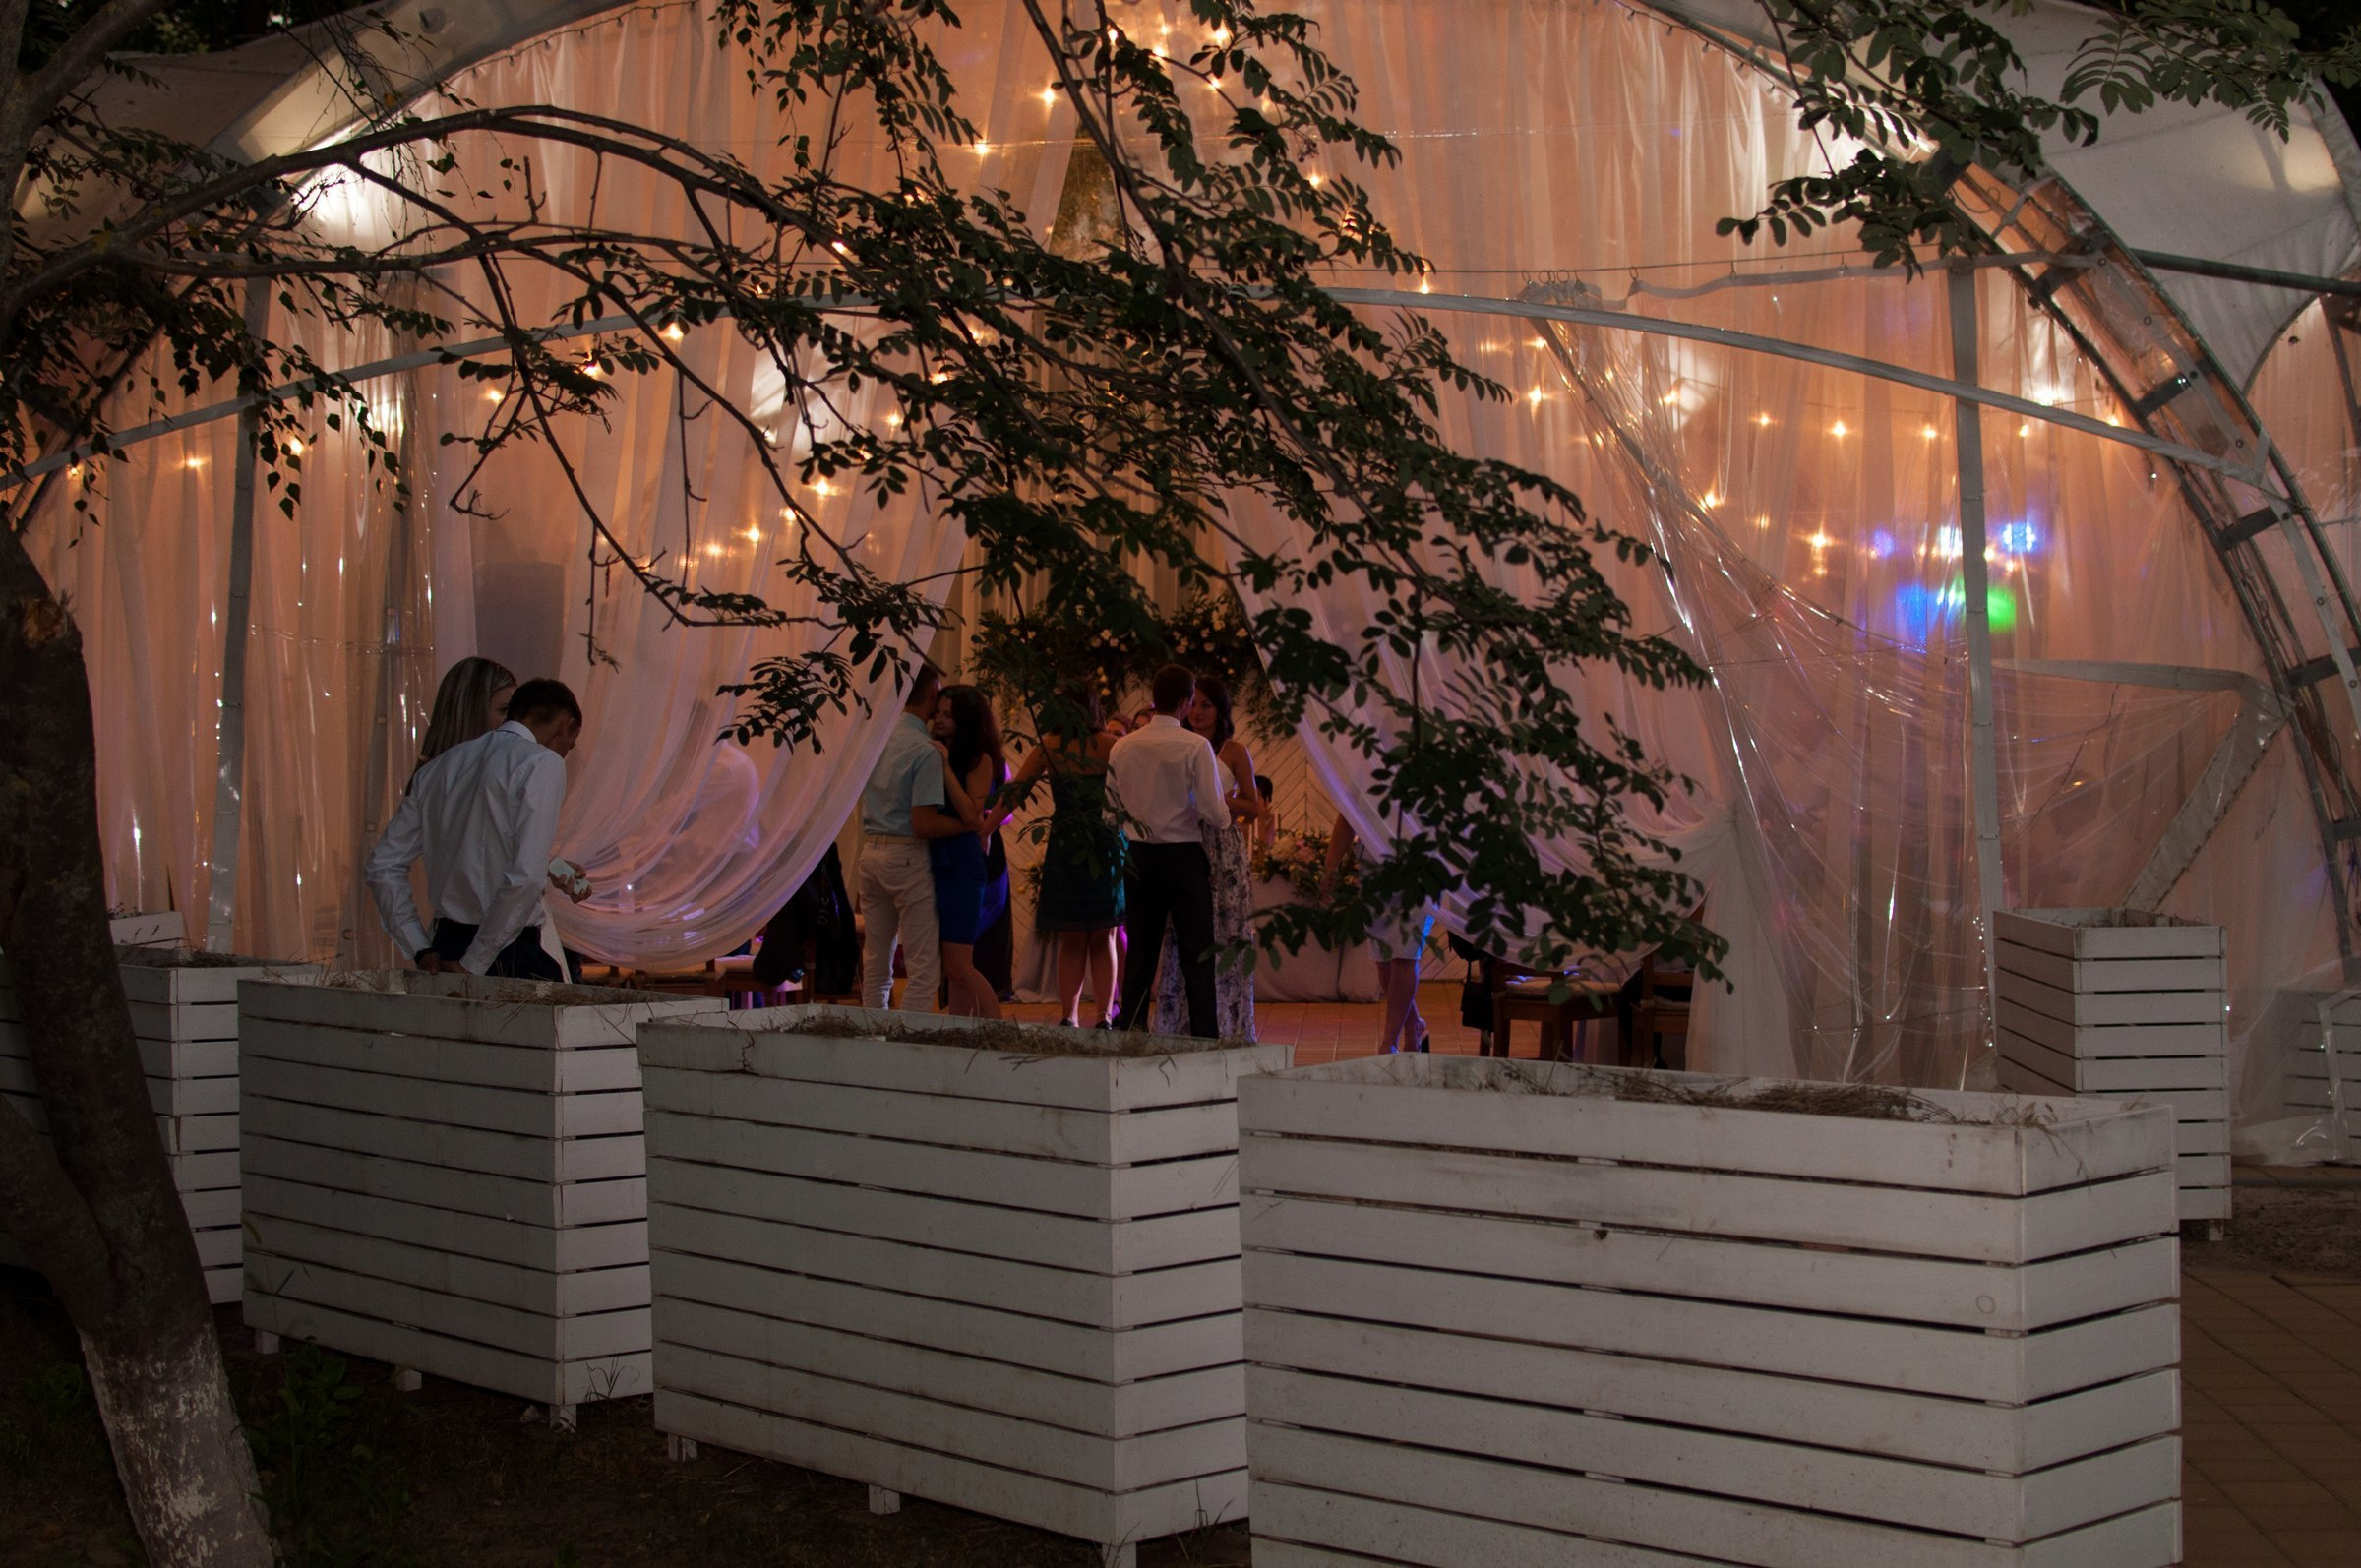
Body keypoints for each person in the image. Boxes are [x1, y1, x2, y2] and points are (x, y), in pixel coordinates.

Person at [365, 679, 584, 979]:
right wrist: (475, 962)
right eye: (569, 746)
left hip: (444, 947)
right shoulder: (541, 762)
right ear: (566, 727)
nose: (566, 753)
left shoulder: (439, 767)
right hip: (509, 953)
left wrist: (419, 946)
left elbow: (383, 866)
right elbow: (524, 877)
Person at [988, 685, 1124, 1028]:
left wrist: (986, 827)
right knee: (1104, 935)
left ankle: (1070, 1016)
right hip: (1105, 844)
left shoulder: (1049, 747)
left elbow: (1015, 791)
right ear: (1095, 709)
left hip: (1066, 845)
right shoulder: (1112, 746)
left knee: (1073, 937)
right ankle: (1105, 1016)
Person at [1109, 665, 1231, 1038]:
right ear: (1185, 702)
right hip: (1183, 857)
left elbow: (1110, 811)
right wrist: (1225, 813)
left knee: (1141, 953)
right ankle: (1205, 1038)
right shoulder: (1195, 746)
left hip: (1139, 856)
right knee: (1198, 953)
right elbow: (1214, 812)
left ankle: (1131, 1030)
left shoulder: (1122, 745)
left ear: (1153, 699)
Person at [857, 662, 975, 1011]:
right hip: (906, 854)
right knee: (923, 966)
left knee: (877, 959)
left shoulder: (876, 741)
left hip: (871, 852)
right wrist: (966, 826)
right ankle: (911, 1043)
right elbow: (924, 824)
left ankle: (871, 1035)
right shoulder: (924, 750)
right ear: (930, 693)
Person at [1151, 674, 1258, 1041]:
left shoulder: (1233, 750)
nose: (1197, 712)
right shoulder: (1178, 743)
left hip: (1223, 848)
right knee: (1183, 936)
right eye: (1193, 704)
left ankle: (1229, 1025)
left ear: (1220, 709)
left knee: (1226, 935)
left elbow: (1254, 806)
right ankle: (1179, 1024)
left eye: (1206, 705)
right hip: (1185, 841)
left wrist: (1215, 797)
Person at [1322, 811, 1433, 1053]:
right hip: (1375, 872)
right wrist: (1331, 865)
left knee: (1405, 954)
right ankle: (1413, 1024)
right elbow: (1347, 815)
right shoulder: (1366, 773)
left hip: (1421, 868)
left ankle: (1389, 1041)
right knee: (1384, 960)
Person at [929, 684, 1008, 1019]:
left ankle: (1000, 1032)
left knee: (961, 964)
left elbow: (972, 815)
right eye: (939, 712)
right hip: (937, 857)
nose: (940, 720)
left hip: (963, 863)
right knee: (952, 968)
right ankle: (959, 1032)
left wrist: (946, 768)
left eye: (949, 715)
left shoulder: (979, 759)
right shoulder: (933, 750)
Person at [1253, 775, 1278, 852]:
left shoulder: (1272, 821)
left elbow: (1265, 850)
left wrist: (1260, 820)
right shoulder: (1240, 819)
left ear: (1266, 800)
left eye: (1255, 797)